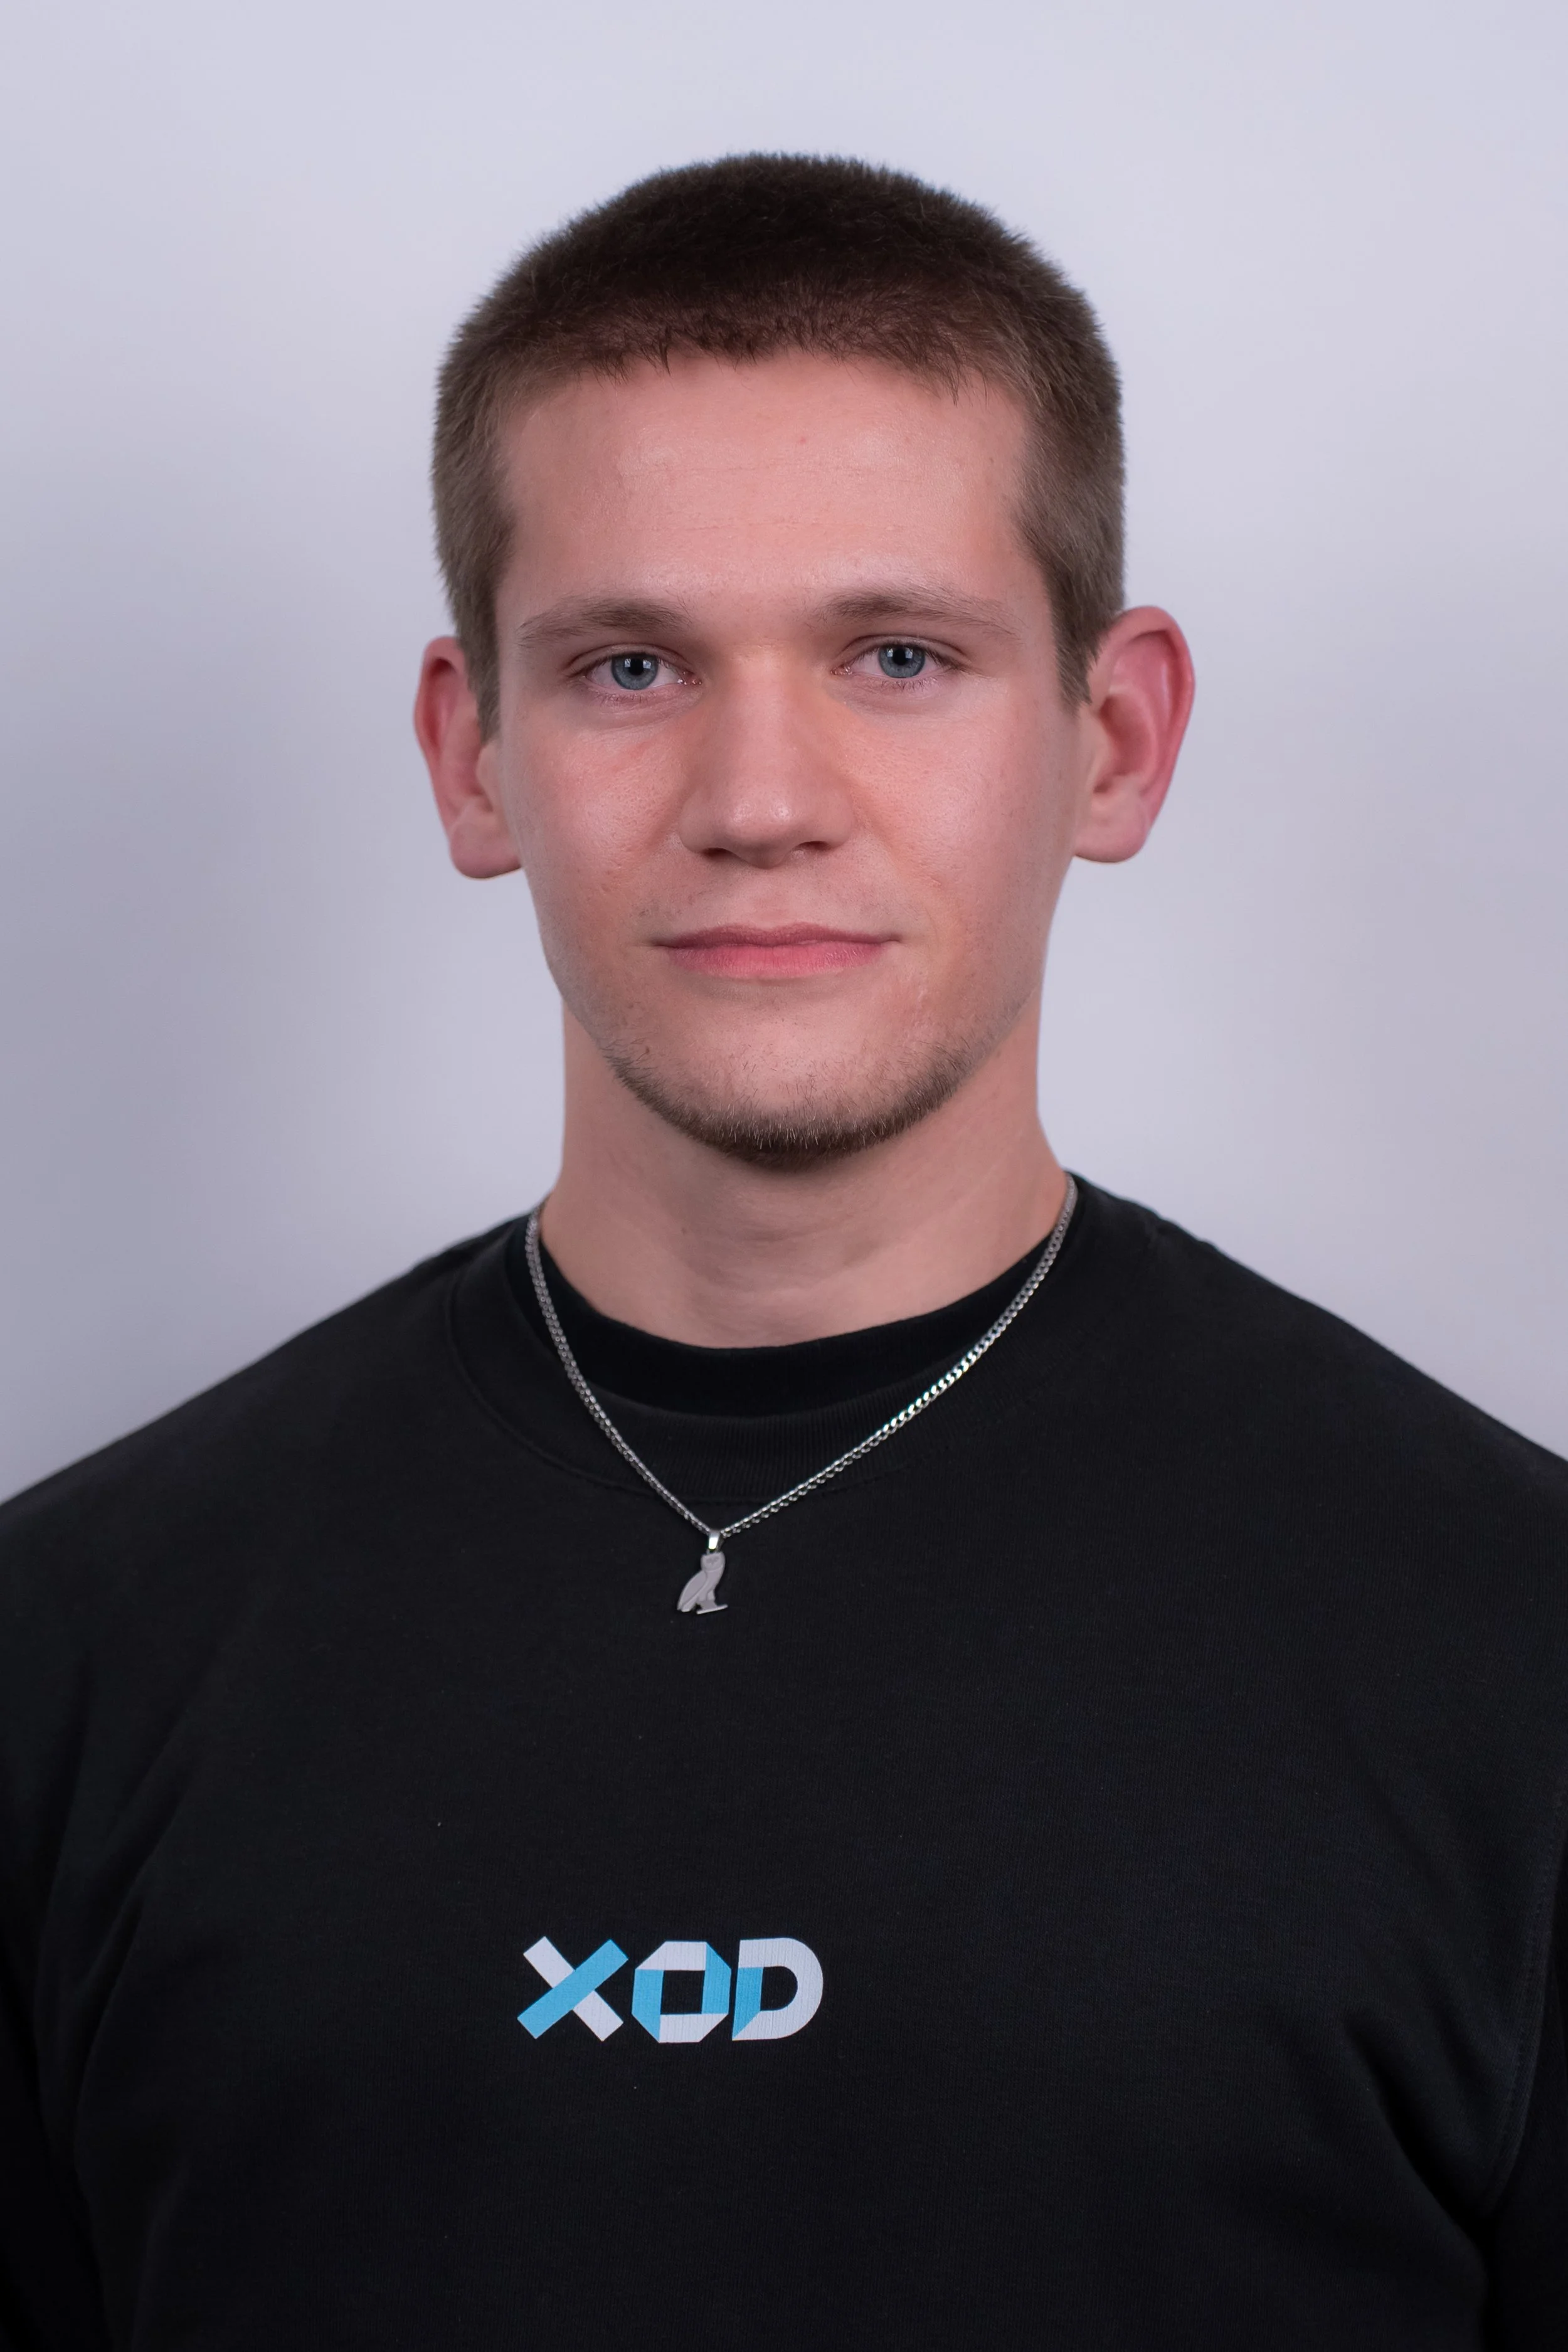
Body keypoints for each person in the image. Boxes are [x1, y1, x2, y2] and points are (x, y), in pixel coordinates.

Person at [1, 154, 1565, 2352]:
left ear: (1109, 739)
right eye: (631, 662)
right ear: (472, 757)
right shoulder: (67, 1651)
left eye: (898, 654)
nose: (760, 794)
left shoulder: (1512, 1650)